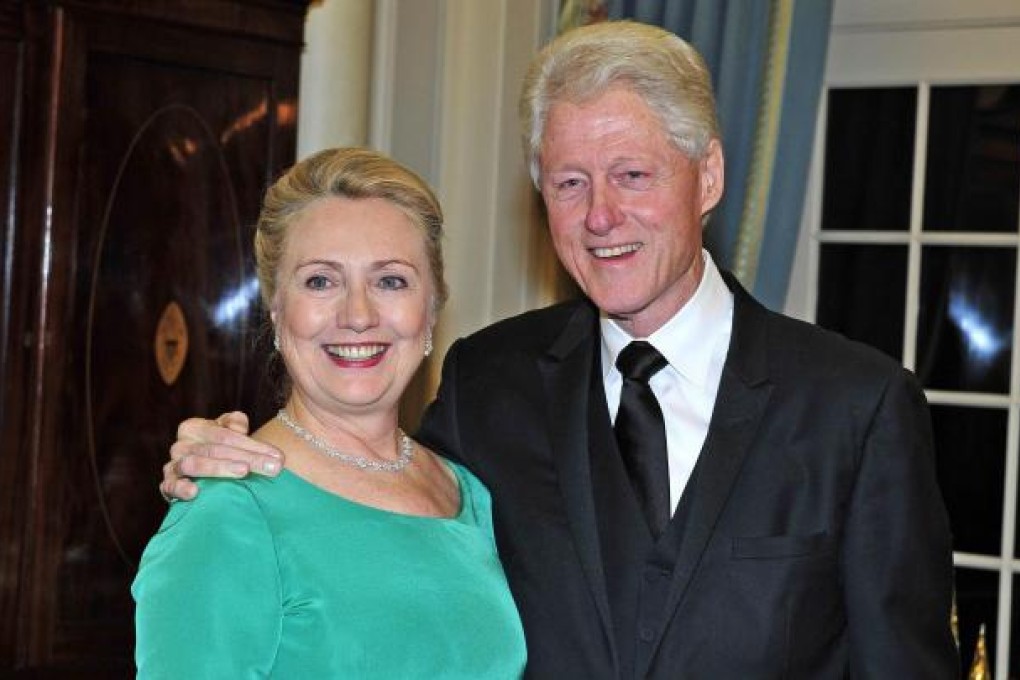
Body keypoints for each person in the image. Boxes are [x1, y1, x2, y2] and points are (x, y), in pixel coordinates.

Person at [161, 20, 958, 678]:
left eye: (633, 174)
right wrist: (214, 458)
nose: (601, 216)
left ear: (708, 176)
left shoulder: (858, 408)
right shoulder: (488, 383)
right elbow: (361, 495)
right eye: (570, 183)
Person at [132, 147, 527, 678]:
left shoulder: (468, 493)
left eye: (391, 281)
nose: (358, 315)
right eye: (321, 281)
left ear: (431, 309)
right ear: (276, 309)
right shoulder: (228, 511)